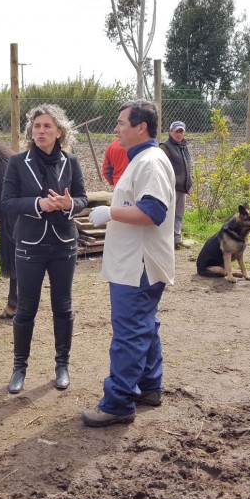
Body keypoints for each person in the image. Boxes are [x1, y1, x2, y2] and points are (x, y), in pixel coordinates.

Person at [82, 100, 175, 427]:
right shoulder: (143, 160)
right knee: (144, 325)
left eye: (122, 123)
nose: (117, 128)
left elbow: (153, 212)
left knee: (129, 332)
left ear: (141, 127)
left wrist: (110, 213)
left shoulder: (149, 162)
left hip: (138, 266)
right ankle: (150, 385)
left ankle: (119, 402)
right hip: (136, 262)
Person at [1, 104, 88, 393]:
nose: (41, 131)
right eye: (36, 126)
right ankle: (19, 368)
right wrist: (38, 204)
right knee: (25, 309)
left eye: (47, 126)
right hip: (29, 245)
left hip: (63, 244)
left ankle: (62, 365)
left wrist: (69, 204)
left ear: (59, 131)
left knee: (63, 307)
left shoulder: (71, 162)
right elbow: (7, 202)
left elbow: (83, 199)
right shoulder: (17, 162)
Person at [160, 120, 193, 249]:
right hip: (171, 188)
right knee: (169, 215)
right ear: (170, 132)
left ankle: (176, 240)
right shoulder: (165, 147)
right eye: (176, 131)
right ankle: (166, 241)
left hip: (182, 188)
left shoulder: (183, 146)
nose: (179, 134)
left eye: (181, 131)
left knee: (179, 215)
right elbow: (161, 168)